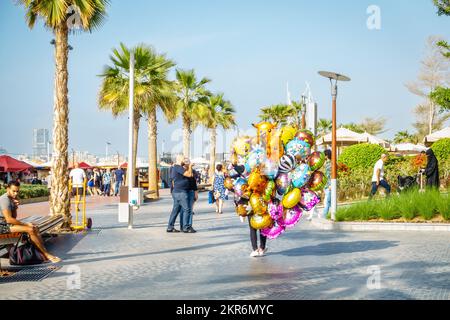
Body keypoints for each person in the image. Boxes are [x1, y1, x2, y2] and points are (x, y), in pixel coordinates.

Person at [0, 181, 61, 263]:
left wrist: (15, 207)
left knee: (35, 228)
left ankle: (42, 254)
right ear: (7, 189)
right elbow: (9, 219)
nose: (15, 193)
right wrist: (26, 224)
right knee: (30, 229)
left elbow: (13, 217)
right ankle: (46, 255)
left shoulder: (11, 199)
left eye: (17, 191)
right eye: (13, 191)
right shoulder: (5, 199)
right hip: (2, 226)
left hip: (6, 225)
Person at [167, 155, 196, 233]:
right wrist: (190, 166)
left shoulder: (176, 167)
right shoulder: (178, 167)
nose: (185, 160)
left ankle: (170, 227)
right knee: (187, 209)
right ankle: (185, 227)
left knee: (175, 210)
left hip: (177, 192)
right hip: (181, 192)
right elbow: (189, 175)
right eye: (184, 159)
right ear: (179, 159)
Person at [322, 149, 332, 219]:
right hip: (326, 185)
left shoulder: (331, 163)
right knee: (330, 202)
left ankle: (324, 216)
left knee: (327, 201)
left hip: (329, 185)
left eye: (324, 155)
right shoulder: (326, 163)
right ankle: (334, 213)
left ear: (327, 155)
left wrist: (331, 185)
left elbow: (331, 175)